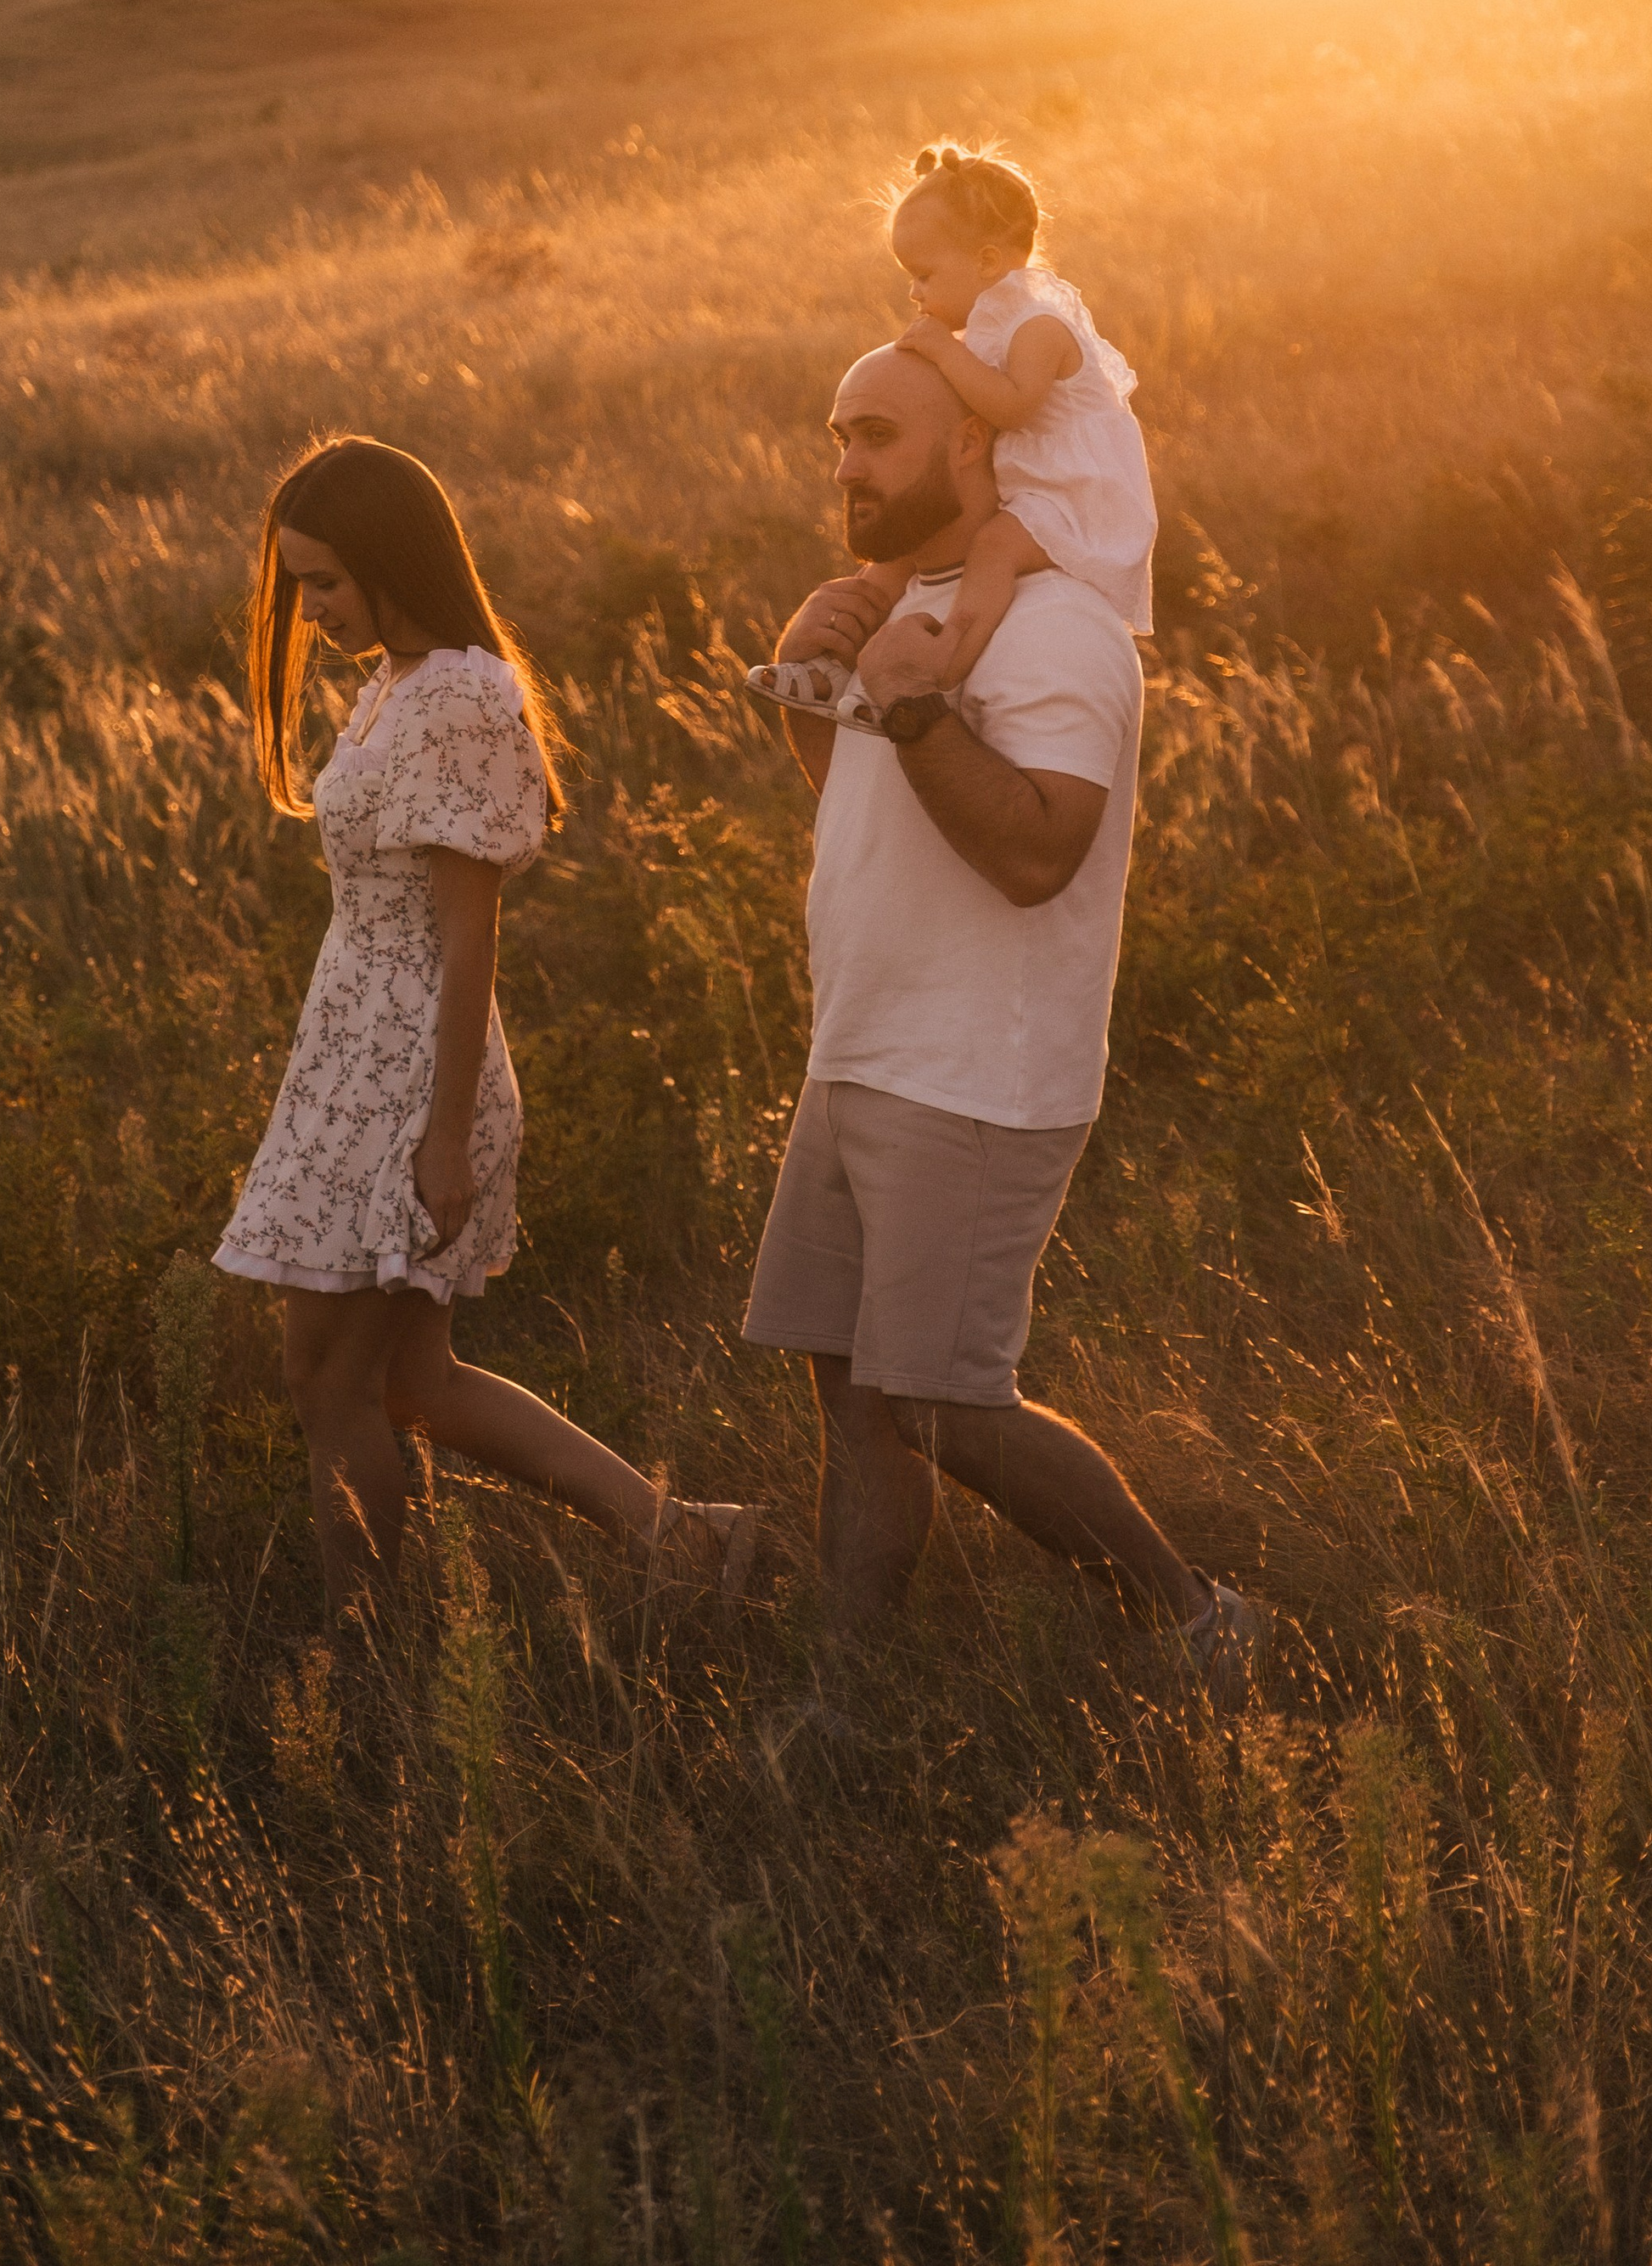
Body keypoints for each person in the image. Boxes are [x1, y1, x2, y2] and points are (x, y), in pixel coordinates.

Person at [740, 346, 1260, 1705]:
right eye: (838, 434)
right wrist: (819, 681)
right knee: (852, 1390)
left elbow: (1036, 855)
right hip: (860, 1048)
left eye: (881, 436)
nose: (847, 464)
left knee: (944, 1401)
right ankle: (845, 1699)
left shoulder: (1059, 630)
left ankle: (1200, 1624)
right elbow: (866, 804)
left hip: (976, 1070)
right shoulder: (900, 609)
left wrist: (912, 706)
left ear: (978, 444)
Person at [216, 435, 754, 1614]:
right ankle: (685, 1539)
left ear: (395, 559)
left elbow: (471, 937)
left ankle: (362, 1660)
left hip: (405, 1074)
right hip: (355, 1054)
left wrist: (445, 1131)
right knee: (413, 1377)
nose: (311, 616)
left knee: (327, 1380)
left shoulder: (459, 694)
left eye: (326, 585)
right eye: (301, 588)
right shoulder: (401, 680)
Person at [746, 141, 1156, 730]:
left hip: (1075, 497)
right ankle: (829, 669)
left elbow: (1013, 408)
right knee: (900, 550)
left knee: (991, 549)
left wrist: (942, 348)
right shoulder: (989, 326)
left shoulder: (1040, 324)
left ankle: (937, 669)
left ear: (988, 261)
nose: (915, 293)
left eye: (924, 275)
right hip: (1026, 487)